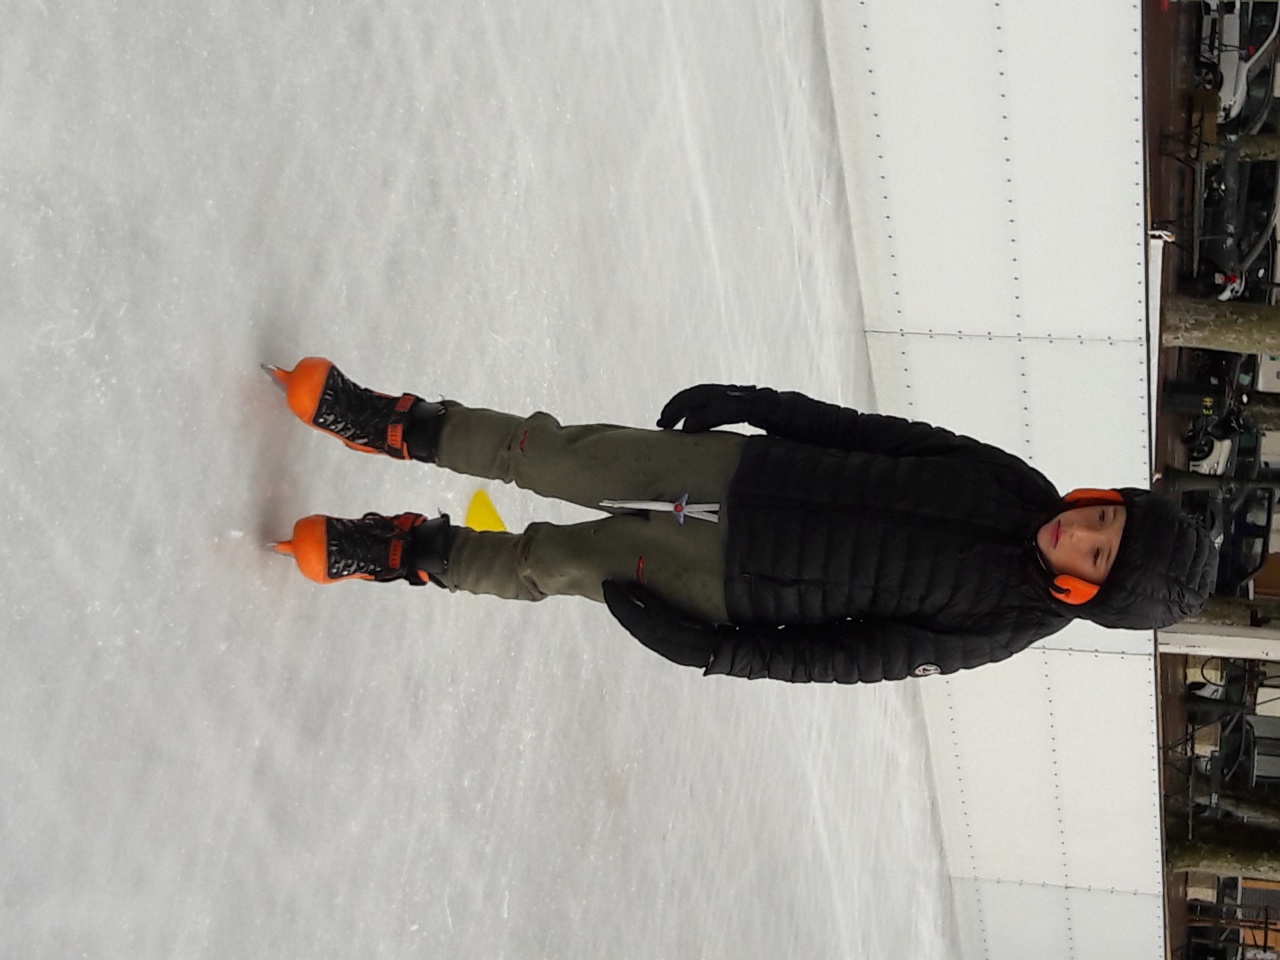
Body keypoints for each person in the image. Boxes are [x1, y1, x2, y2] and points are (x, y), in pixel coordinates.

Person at [266, 357, 1218, 684]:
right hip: (734, 469)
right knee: (552, 456)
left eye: (1098, 556)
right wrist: (757, 403)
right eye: (1103, 519)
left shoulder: (1003, 626)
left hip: (726, 583)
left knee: (547, 563)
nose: (1079, 534)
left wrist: (717, 652)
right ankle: (398, 423)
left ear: (1090, 593)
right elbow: (875, 435)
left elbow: (853, 658)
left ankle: (403, 549)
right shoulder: (1014, 482)